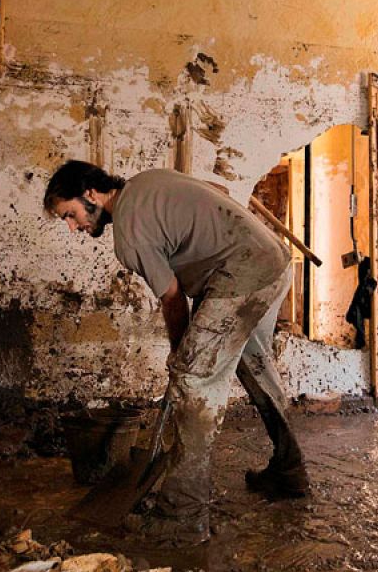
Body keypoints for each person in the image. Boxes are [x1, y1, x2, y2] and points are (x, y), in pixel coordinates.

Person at [43, 160, 310, 540]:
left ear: (90, 195)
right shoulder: (147, 181)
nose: (73, 227)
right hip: (272, 262)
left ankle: (182, 514)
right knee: (252, 365)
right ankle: (289, 469)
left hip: (240, 274)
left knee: (192, 384)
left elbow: (172, 299)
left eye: (69, 215)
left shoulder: (129, 235)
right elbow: (215, 195)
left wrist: (181, 357)